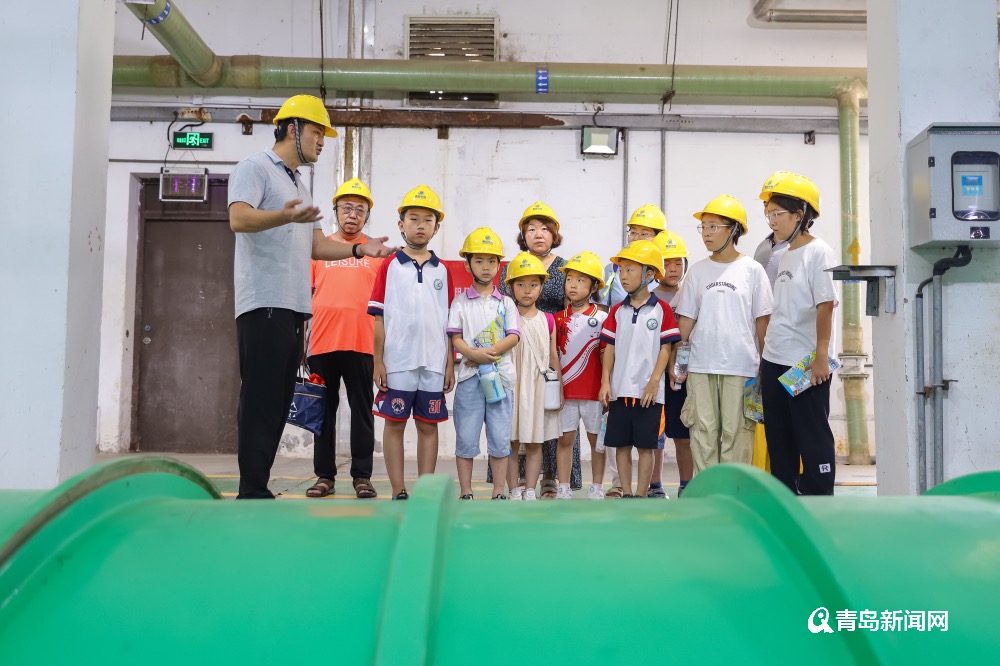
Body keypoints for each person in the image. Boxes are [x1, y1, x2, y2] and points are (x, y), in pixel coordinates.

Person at [228, 94, 392, 500]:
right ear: (292, 128)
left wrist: (360, 248)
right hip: (263, 303)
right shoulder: (255, 168)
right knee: (261, 398)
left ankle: (258, 486)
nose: (322, 141)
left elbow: (316, 246)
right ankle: (251, 489)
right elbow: (239, 218)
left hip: (292, 309)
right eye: (317, 132)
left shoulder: (298, 183)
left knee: (278, 400)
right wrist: (284, 215)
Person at [673, 195, 772, 476]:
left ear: (734, 230)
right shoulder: (697, 271)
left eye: (713, 226)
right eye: (703, 227)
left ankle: (734, 491)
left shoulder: (753, 271)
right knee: (702, 431)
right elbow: (686, 320)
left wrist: (765, 364)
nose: (706, 233)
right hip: (701, 365)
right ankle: (708, 492)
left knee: (737, 432)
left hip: (741, 366)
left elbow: (763, 320)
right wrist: (676, 363)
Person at [369, 185, 455, 500]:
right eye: (414, 218)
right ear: (401, 224)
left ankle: (425, 491)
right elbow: (378, 318)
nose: (421, 225)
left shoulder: (443, 270)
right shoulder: (389, 265)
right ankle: (398, 488)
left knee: (428, 426)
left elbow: (450, 324)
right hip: (398, 362)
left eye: (428, 220)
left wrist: (449, 364)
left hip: (433, 362)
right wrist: (378, 361)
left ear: (436, 227)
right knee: (394, 424)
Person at [758, 173, 839, 496]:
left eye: (778, 214)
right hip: (775, 358)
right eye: (768, 214)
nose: (772, 221)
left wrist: (821, 356)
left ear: (800, 214)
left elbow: (825, 306)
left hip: (805, 363)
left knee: (812, 435)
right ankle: (784, 496)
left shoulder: (820, 252)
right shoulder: (783, 254)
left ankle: (820, 497)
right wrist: (764, 359)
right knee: (779, 437)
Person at [495, 201, 579, 497]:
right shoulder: (512, 267)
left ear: (555, 234)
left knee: (549, 419)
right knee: (515, 426)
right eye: (531, 229)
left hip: (551, 341)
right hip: (515, 345)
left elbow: (572, 307)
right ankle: (514, 484)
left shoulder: (565, 267)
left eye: (545, 228)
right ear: (523, 235)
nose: (538, 234)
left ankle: (550, 478)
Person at [305, 178, 381, 499]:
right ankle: (324, 476)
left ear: (367, 216)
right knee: (323, 413)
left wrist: (383, 354)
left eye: (360, 209)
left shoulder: (376, 253)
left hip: (362, 344)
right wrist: (302, 344)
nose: (353, 214)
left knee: (362, 412)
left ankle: (362, 477)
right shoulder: (318, 250)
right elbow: (305, 297)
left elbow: (384, 308)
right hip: (322, 343)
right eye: (347, 208)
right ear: (335, 211)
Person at [598, 241, 680, 498]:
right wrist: (605, 381)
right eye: (621, 270)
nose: (623, 276)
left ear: (649, 274)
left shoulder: (661, 309)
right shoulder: (616, 311)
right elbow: (609, 348)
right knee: (621, 445)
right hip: (620, 391)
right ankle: (627, 492)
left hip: (649, 394)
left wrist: (654, 381)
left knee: (646, 447)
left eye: (630, 270)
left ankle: (642, 495)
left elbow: (666, 348)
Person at [447, 228, 520, 500]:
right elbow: (455, 337)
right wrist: (471, 354)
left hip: (501, 378)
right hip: (469, 378)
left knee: (500, 437)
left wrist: (487, 353)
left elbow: (513, 336)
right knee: (466, 436)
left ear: (499, 265)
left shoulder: (507, 303)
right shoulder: (460, 302)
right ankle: (466, 490)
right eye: (479, 261)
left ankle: (499, 490)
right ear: (468, 264)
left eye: (492, 261)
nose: (486, 267)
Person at [506, 252, 562, 500]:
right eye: (520, 284)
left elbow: (553, 356)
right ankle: (513, 489)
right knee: (510, 441)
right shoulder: (506, 316)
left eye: (533, 284)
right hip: (511, 384)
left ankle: (530, 488)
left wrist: (559, 388)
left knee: (535, 441)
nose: (527, 290)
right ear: (511, 287)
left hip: (538, 385)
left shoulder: (548, 320)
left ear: (541, 286)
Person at [554, 251, 608, 499]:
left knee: (597, 441)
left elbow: (608, 356)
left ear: (594, 286)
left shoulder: (603, 318)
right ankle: (563, 486)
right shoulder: (557, 319)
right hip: (565, 392)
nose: (573, 285)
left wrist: (606, 386)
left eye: (581, 280)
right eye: (569, 279)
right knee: (565, 439)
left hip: (594, 392)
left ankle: (597, 486)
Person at [651, 230, 693, 497]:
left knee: (682, 434)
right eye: (667, 263)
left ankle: (686, 486)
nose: (674, 269)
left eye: (679, 262)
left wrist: (680, 368)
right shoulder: (647, 299)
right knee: (654, 434)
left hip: (680, 375)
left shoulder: (690, 294)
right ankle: (654, 485)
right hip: (653, 375)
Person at [600, 204, 667, 311]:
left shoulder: (668, 271)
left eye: (644, 233)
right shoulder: (612, 270)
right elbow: (601, 313)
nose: (636, 238)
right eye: (633, 232)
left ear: (659, 238)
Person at [753, 170, 794, 285]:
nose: (768, 211)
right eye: (766, 205)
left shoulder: (805, 248)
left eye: (775, 206)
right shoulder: (763, 246)